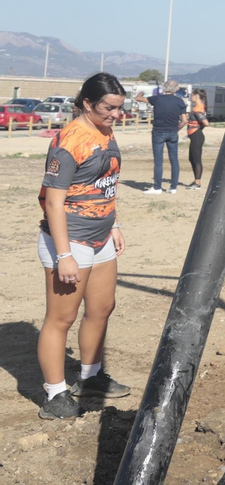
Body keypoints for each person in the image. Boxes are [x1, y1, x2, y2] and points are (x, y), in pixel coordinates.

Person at [37, 73, 132, 420]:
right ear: (88, 103)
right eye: (109, 108)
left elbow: (105, 182)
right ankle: (55, 395)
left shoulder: (104, 131)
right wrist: (64, 255)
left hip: (102, 235)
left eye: (120, 109)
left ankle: (90, 378)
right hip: (70, 239)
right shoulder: (70, 140)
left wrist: (115, 224)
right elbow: (53, 202)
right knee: (61, 318)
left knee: (102, 308)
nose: (116, 115)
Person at [146, 80, 187, 194]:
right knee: (174, 160)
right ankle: (173, 187)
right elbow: (184, 121)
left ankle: (157, 187)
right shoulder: (180, 101)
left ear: (164, 88)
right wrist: (175, 129)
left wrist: (140, 94)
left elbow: (139, 99)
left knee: (158, 160)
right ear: (176, 89)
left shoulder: (157, 99)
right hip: (172, 132)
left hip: (159, 131)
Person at [184, 88, 208, 190]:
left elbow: (206, 122)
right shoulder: (199, 107)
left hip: (197, 135)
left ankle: (197, 182)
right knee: (192, 158)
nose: (191, 97)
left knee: (196, 159)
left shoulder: (198, 109)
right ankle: (196, 180)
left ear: (196, 96)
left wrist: (198, 126)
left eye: (192, 95)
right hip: (194, 135)